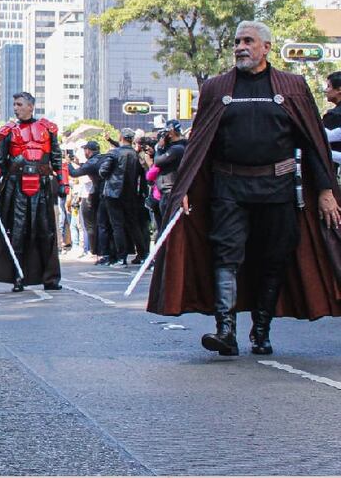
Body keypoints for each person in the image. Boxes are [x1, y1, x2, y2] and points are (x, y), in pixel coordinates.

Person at [149, 21, 341, 356]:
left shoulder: (292, 87)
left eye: (248, 41)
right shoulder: (217, 87)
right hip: (229, 187)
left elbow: (312, 142)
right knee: (226, 254)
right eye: (237, 41)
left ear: (266, 46)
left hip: (278, 188)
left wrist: (325, 190)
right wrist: (186, 190)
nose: (240, 46)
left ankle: (261, 332)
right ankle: (225, 330)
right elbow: (200, 146)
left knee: (274, 257)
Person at [0, 91, 62, 292]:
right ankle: (18, 276)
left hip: (42, 186)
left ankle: (51, 279)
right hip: (16, 188)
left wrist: (62, 183)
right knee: (17, 233)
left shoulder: (48, 129)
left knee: (46, 231)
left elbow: (57, 159)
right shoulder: (8, 132)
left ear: (30, 106)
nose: (15, 108)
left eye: (19, 104)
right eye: (14, 104)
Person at [98, 129, 146, 266]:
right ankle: (142, 254)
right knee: (133, 224)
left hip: (113, 193)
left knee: (117, 225)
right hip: (130, 193)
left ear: (121, 137)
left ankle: (121, 256)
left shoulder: (114, 153)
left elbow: (103, 171)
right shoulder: (135, 155)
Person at [68, 141, 103, 261]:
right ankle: (100, 251)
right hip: (102, 194)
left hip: (92, 195)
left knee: (89, 225)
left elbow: (74, 173)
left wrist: (68, 163)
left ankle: (94, 251)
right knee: (99, 224)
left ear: (88, 150)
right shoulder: (101, 159)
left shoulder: (91, 163)